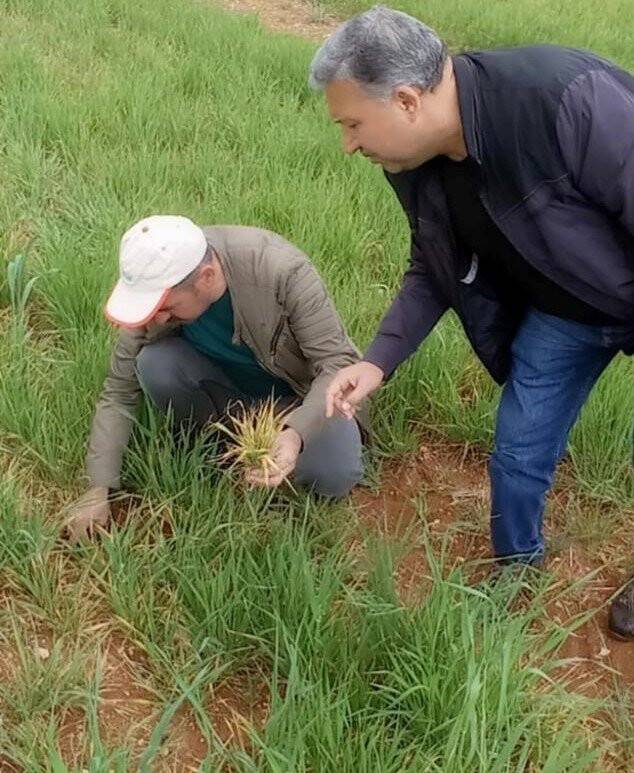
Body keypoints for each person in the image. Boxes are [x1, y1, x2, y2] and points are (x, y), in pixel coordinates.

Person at [309, 6, 634, 639]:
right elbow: (432, 265)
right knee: (517, 450)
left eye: (352, 123)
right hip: (565, 314)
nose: (348, 143)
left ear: (406, 100)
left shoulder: (562, 98)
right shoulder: (414, 161)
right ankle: (516, 565)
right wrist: (376, 361)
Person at [67, 215, 367, 540]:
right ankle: (214, 440)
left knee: (333, 477)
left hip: (299, 398)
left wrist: (296, 435)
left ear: (206, 278)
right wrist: (98, 487)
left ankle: (274, 444)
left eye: (167, 307)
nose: (156, 318)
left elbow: (337, 364)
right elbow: (119, 392)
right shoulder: (156, 287)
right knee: (155, 363)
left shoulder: (280, 270)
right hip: (229, 392)